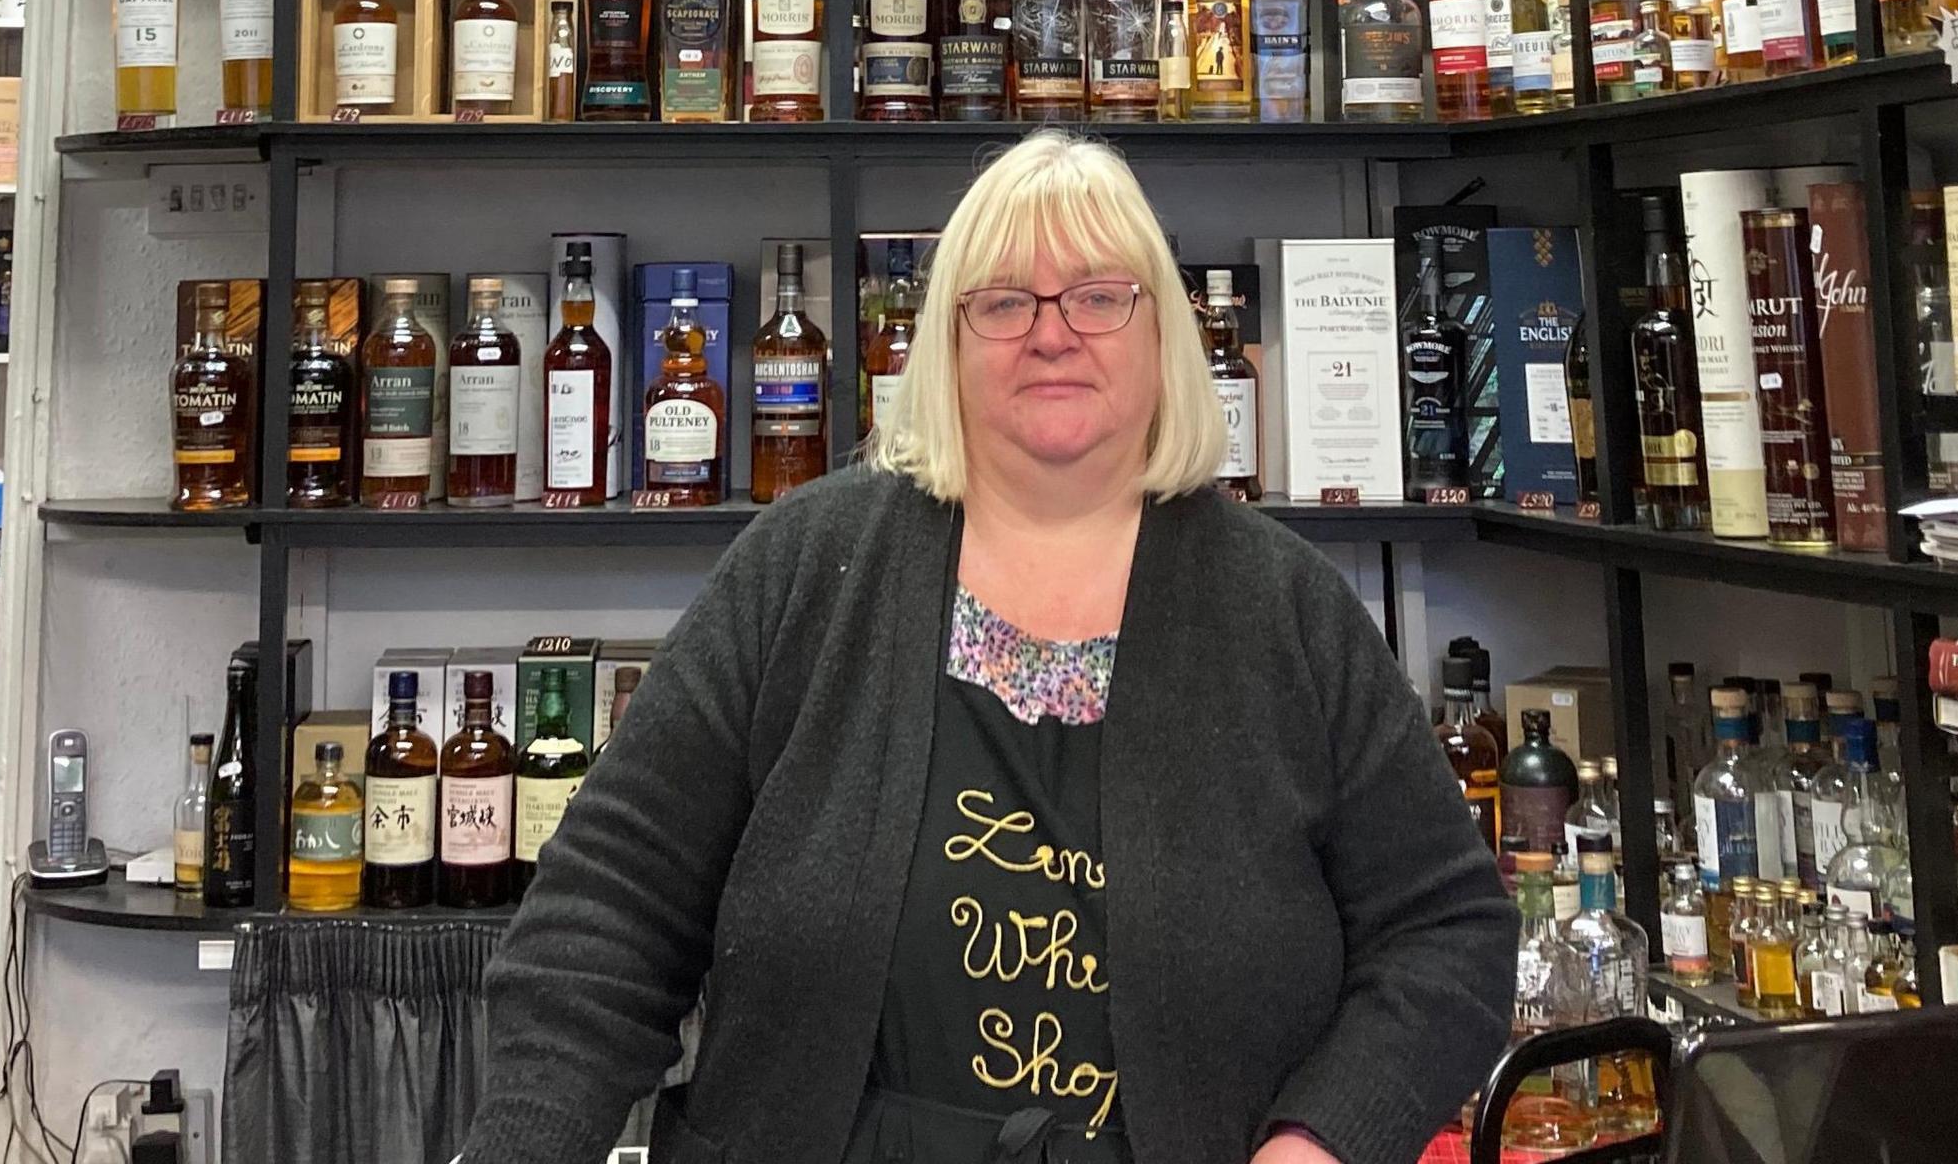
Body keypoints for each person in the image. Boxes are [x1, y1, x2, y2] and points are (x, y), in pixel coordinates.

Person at [459, 131, 1513, 1164]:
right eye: (1003, 301)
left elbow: (1448, 931)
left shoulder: (1285, 606)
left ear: (1165, 337)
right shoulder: (801, 566)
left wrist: (1321, 1141)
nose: (1052, 334)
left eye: (1099, 296)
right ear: (945, 344)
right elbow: (603, 918)